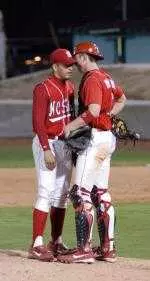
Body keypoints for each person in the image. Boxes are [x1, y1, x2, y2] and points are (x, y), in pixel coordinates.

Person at [57, 41, 126, 264]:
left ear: (84, 57)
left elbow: (93, 110)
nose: (75, 62)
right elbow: (121, 99)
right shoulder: (107, 77)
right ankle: (108, 249)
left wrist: (72, 125)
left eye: (77, 58)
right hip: (108, 139)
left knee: (79, 192)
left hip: (95, 139)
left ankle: (84, 249)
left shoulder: (93, 79)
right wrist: (110, 116)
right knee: (101, 194)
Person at [28, 48, 76, 262]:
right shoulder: (43, 88)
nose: (70, 68)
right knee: (46, 190)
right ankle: (36, 243)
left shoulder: (71, 87)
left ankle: (55, 241)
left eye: (72, 64)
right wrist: (46, 148)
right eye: (66, 65)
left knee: (62, 193)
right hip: (46, 143)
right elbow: (38, 122)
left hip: (64, 145)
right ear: (55, 66)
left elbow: (72, 118)